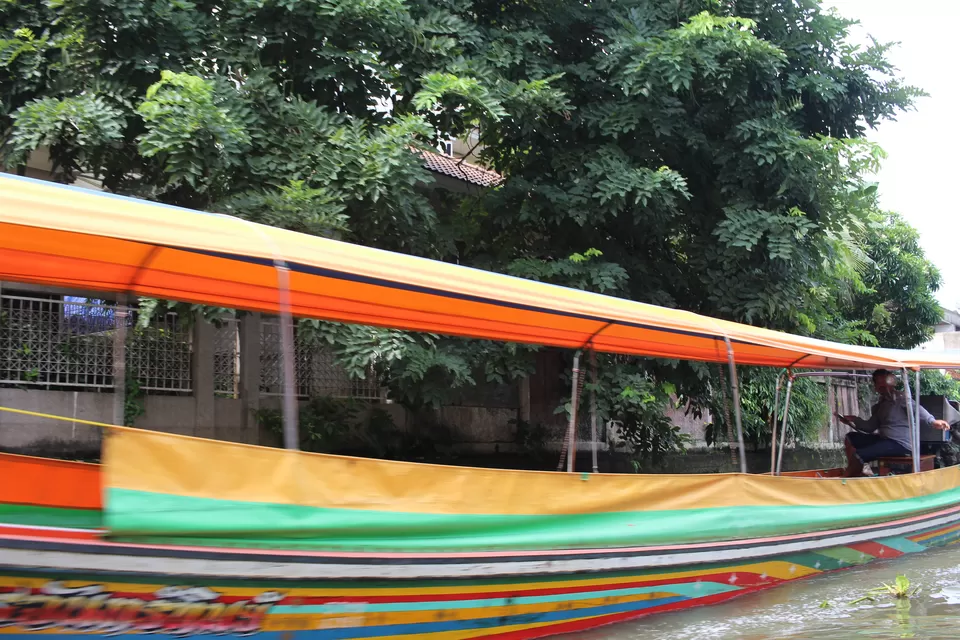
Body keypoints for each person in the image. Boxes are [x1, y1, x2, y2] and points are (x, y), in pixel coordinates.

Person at [836, 369, 950, 477]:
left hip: (901, 444)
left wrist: (932, 421)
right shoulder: (880, 404)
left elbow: (917, 409)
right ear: (876, 387)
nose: (883, 386)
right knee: (850, 438)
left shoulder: (901, 398)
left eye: (885, 382)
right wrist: (853, 419)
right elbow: (869, 427)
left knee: (860, 454)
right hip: (884, 440)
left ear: (891, 382)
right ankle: (857, 472)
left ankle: (846, 478)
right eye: (879, 383)